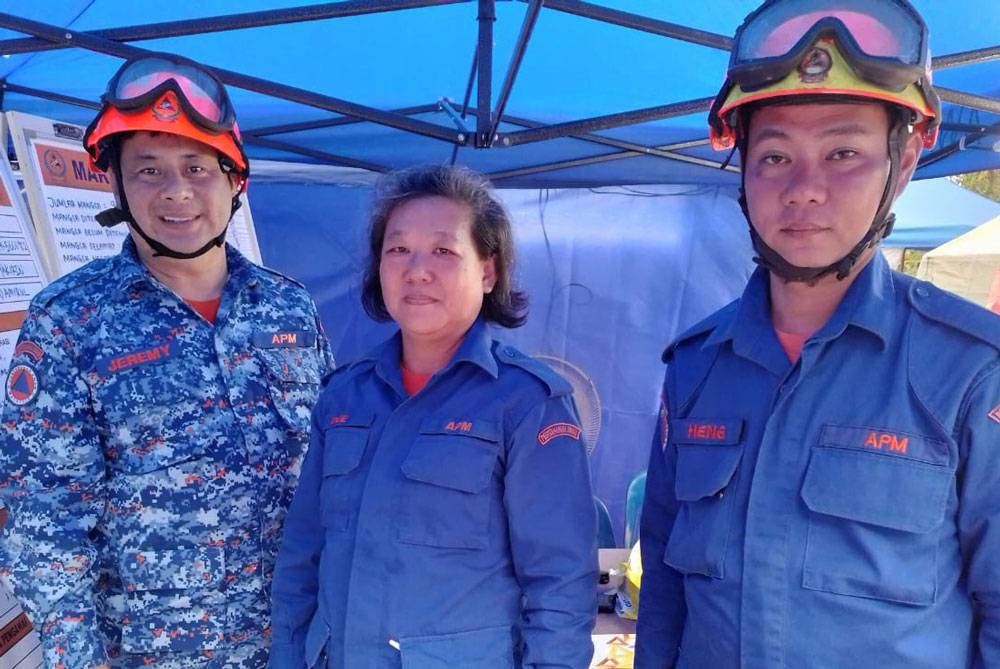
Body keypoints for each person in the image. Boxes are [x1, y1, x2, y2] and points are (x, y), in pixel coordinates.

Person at [636, 1, 1000, 667]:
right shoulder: (695, 367)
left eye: (843, 152)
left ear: (906, 159)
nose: (805, 189)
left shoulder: (973, 372)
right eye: (774, 156)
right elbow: (663, 592)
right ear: (742, 169)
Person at [0, 53, 334, 669]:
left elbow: (334, 469)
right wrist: (81, 660)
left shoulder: (289, 308)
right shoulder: (69, 321)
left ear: (235, 180)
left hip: (296, 641)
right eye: (148, 169)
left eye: (197, 167)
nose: (176, 191)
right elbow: (44, 519)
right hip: (156, 654)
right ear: (118, 184)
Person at [269, 165, 597, 668]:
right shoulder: (344, 397)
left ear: (488, 270)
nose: (416, 269)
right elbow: (302, 557)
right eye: (398, 249)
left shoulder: (526, 402)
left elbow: (560, 585)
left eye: (444, 250)